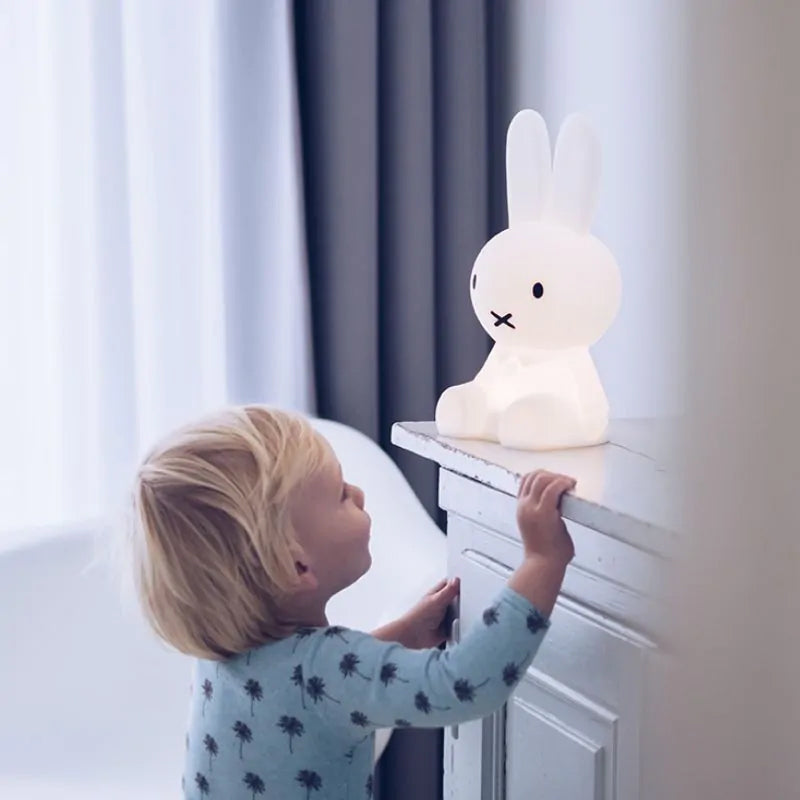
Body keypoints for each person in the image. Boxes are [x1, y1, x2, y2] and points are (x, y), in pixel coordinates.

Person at [129, 405, 576, 799]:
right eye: (342, 495)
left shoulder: (219, 655)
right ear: (296, 568)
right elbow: (462, 685)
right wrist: (541, 559)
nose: (359, 495)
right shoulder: (326, 670)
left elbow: (302, 690)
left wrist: (403, 634)